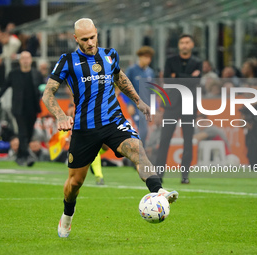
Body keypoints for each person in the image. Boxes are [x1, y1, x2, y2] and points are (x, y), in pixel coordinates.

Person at [42, 18, 178, 238]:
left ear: (97, 33)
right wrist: (60, 115)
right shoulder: (67, 60)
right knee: (75, 183)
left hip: (113, 121)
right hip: (85, 128)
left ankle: (158, 191)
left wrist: (137, 101)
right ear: (75, 38)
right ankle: (67, 214)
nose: (90, 42)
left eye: (92, 37)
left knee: (136, 148)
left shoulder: (110, 55)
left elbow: (120, 77)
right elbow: (48, 93)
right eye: (84, 39)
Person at [155, 34, 202, 184]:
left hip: (189, 103)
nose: (184, 45)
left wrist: (178, 76)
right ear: (179, 45)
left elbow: (197, 81)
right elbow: (169, 80)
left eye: (187, 42)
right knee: (164, 140)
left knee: (188, 141)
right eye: (182, 42)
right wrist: (188, 77)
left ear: (192, 45)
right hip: (172, 104)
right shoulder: (170, 61)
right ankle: (159, 174)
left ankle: (185, 175)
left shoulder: (197, 62)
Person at [0, 51, 44, 166]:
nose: (25, 60)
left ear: (31, 60)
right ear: (20, 60)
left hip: (33, 108)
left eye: (28, 58)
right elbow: (3, 88)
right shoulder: (13, 74)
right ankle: (27, 156)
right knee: (22, 131)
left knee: (29, 132)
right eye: (23, 58)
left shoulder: (36, 74)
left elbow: (45, 88)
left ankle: (20, 156)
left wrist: (45, 89)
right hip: (18, 108)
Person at [125, 46, 155, 146]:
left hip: (146, 107)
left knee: (144, 132)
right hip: (135, 106)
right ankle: (140, 154)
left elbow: (152, 91)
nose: (148, 60)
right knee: (141, 130)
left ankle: (140, 154)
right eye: (146, 57)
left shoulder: (150, 72)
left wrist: (155, 107)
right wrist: (129, 104)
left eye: (149, 57)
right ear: (140, 57)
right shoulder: (132, 70)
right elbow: (124, 88)